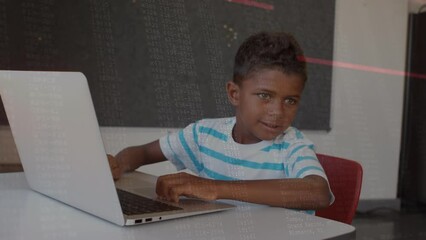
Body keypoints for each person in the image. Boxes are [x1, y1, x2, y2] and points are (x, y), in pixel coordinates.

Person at [108, 31, 332, 212]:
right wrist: (118, 164)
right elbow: (143, 154)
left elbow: (317, 192)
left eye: (290, 100)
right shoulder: (204, 135)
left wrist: (216, 188)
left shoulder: (292, 145)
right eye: (265, 95)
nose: (277, 111)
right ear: (234, 93)